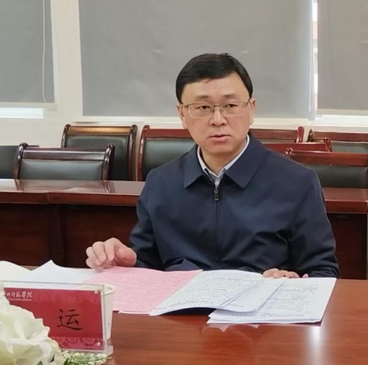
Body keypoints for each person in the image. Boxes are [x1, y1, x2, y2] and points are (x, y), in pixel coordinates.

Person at [86, 53, 339, 278]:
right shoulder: (160, 182)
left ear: (251, 109)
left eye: (230, 106)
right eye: (202, 107)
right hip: (182, 314)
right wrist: (124, 263)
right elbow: (147, 266)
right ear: (182, 114)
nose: (218, 119)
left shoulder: (297, 182)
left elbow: (323, 271)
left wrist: (292, 281)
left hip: (262, 312)